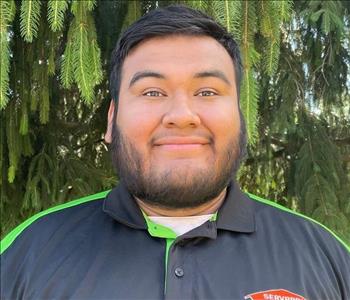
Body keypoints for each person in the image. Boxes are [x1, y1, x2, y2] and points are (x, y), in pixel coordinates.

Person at [1, 5, 349, 300]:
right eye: (152, 92)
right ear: (111, 120)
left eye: (208, 92)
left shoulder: (327, 259)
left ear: (241, 118)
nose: (182, 116)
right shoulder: (26, 253)